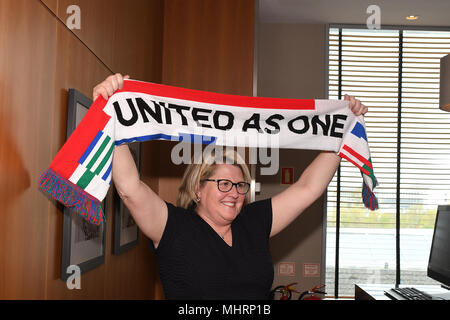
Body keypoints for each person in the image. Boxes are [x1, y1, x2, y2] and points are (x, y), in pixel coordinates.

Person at [93, 74, 368, 299]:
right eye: (224, 184)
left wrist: (341, 137)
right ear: (198, 189)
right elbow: (129, 188)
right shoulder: (173, 227)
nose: (234, 193)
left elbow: (308, 188)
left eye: (240, 185)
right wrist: (112, 119)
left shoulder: (253, 221)